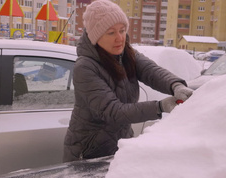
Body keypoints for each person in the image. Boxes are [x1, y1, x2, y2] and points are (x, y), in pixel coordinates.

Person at [63, 0, 194, 162]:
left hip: (119, 144)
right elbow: (113, 111)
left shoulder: (126, 54)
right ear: (96, 37)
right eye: (111, 33)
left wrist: (176, 85)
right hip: (88, 153)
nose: (120, 38)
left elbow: (152, 71)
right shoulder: (85, 67)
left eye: (122, 30)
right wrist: (160, 106)